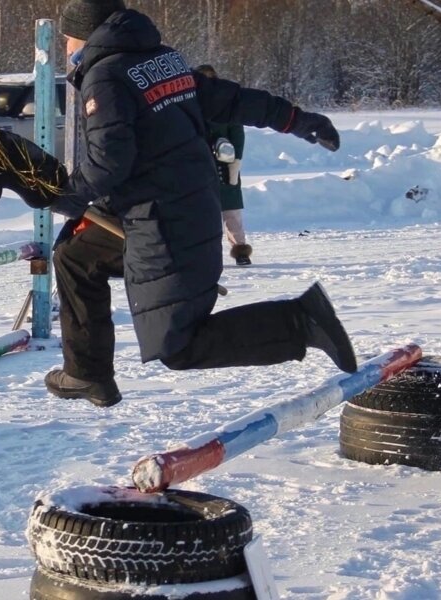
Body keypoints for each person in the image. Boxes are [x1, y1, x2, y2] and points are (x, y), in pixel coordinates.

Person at [42, 0, 353, 407]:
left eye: (68, 37)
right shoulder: (162, 61)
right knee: (75, 255)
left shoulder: (106, 76)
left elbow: (108, 164)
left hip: (164, 220)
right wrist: (295, 119)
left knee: (179, 347)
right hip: (172, 207)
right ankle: (87, 374)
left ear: (87, 33)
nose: (66, 46)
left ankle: (299, 321)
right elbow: (230, 99)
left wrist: (67, 195)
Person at [195, 64, 252, 267]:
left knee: (231, 211)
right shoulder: (191, 105)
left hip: (225, 163)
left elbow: (237, 133)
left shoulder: (227, 103)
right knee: (202, 213)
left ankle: (240, 250)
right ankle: (205, 254)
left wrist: (235, 161)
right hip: (199, 165)